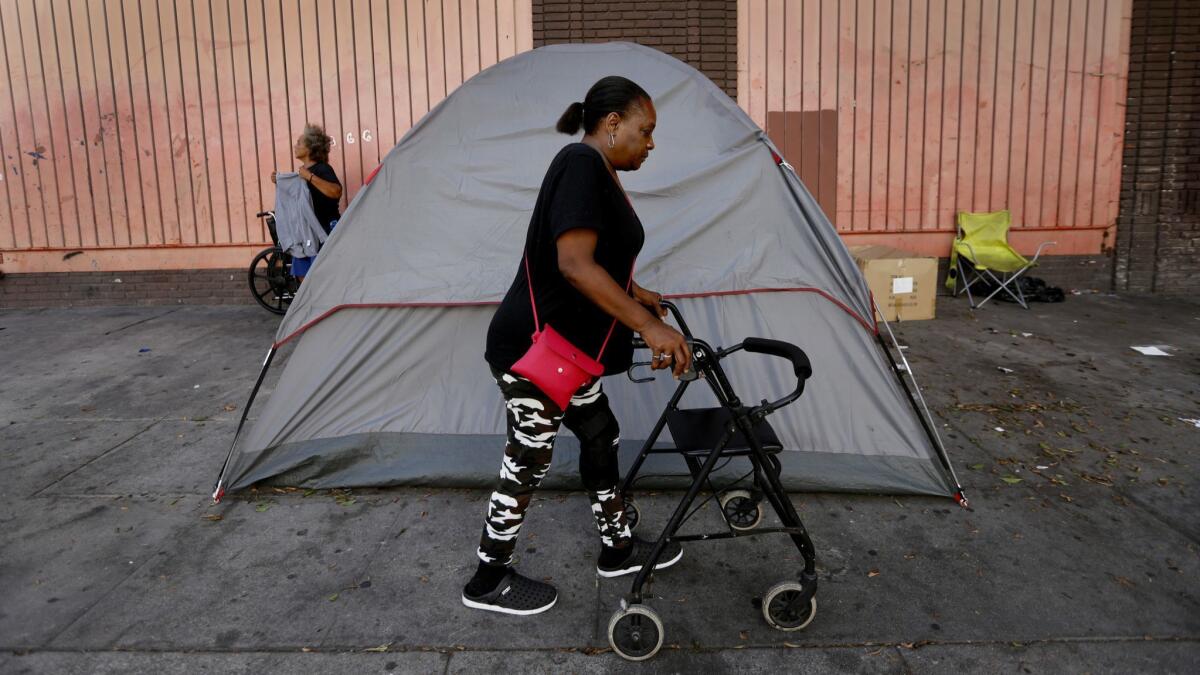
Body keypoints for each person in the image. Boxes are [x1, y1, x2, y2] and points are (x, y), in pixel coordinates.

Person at [462, 76, 693, 616]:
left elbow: (592, 255)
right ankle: (488, 579)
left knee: (600, 433)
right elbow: (571, 264)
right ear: (612, 125)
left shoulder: (599, 172)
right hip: (533, 350)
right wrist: (649, 326)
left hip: (569, 353)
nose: (651, 142)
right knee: (529, 458)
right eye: (645, 130)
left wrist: (637, 293)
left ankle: (616, 548)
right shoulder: (580, 164)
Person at [270, 124, 342, 281]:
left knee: (323, 276)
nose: (295, 146)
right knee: (303, 276)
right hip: (304, 232)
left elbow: (336, 191)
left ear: (310, 148)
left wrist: (310, 177)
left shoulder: (323, 169)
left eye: (299, 143)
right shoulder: (301, 173)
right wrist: (281, 182)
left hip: (325, 228)